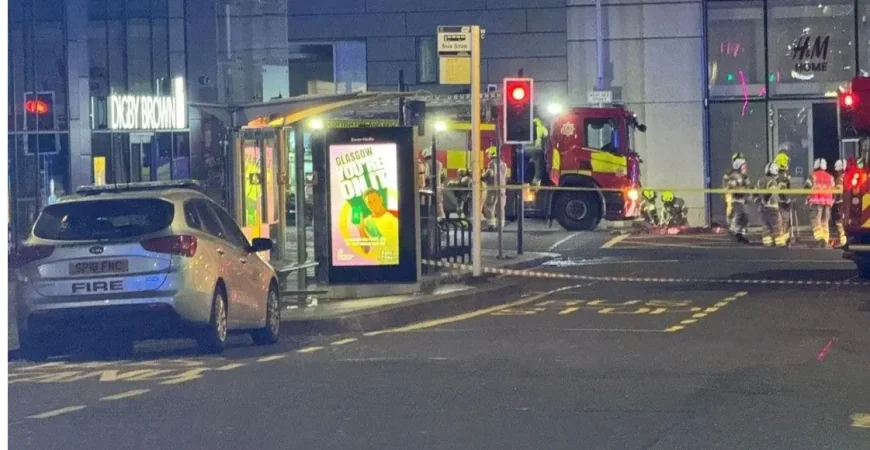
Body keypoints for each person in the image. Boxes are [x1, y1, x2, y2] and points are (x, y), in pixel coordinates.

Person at [358, 188, 399, 265]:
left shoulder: (395, 214)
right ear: (366, 205)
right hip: (381, 264)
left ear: (380, 199)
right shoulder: (366, 222)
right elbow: (366, 250)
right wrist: (360, 229)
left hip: (398, 262)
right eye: (369, 202)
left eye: (375, 200)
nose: (373, 204)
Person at [805, 158, 834, 248]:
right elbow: (833, 187)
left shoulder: (813, 176)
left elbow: (806, 186)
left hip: (816, 201)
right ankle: (825, 240)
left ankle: (819, 239)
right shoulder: (830, 177)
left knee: (815, 220)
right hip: (828, 202)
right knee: (825, 222)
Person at [756, 162, 785, 247]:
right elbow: (771, 191)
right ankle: (780, 243)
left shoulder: (759, 181)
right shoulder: (772, 181)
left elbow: (754, 194)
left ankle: (767, 243)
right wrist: (766, 199)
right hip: (772, 208)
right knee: (777, 225)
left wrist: (759, 203)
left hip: (762, 209)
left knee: (765, 226)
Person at [726, 157, 751, 243]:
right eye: (743, 166)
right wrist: (742, 190)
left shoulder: (744, 176)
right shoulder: (734, 176)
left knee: (745, 217)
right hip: (737, 200)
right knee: (740, 215)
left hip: (742, 200)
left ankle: (739, 233)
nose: (745, 168)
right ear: (739, 166)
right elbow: (732, 188)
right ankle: (735, 232)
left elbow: (747, 188)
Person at [482, 146, 508, 231]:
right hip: (502, 189)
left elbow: (490, 173)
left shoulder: (492, 163)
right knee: (500, 207)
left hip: (493, 189)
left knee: (489, 206)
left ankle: (491, 225)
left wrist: (482, 177)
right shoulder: (504, 164)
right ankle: (501, 225)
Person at [774, 150, 794, 244]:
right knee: (785, 220)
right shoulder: (782, 176)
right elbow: (783, 190)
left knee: (778, 221)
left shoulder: (774, 175)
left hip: (774, 202)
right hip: (782, 202)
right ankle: (783, 239)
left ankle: (781, 238)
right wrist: (787, 199)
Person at [421, 147, 445, 220]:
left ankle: (430, 222)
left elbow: (425, 176)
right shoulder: (439, 163)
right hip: (438, 187)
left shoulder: (425, 164)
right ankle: (442, 221)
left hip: (429, 188)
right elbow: (442, 176)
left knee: (428, 206)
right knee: (439, 205)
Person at [723, 152, 744, 225]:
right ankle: (732, 224)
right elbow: (725, 185)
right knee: (731, 209)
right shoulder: (729, 173)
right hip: (731, 195)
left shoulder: (742, 174)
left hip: (740, 197)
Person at [831, 159, 847, 248]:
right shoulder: (847, 176)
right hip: (847, 203)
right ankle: (844, 239)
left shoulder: (839, 178)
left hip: (841, 204)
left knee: (840, 222)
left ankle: (843, 240)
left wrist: (835, 200)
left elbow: (838, 191)